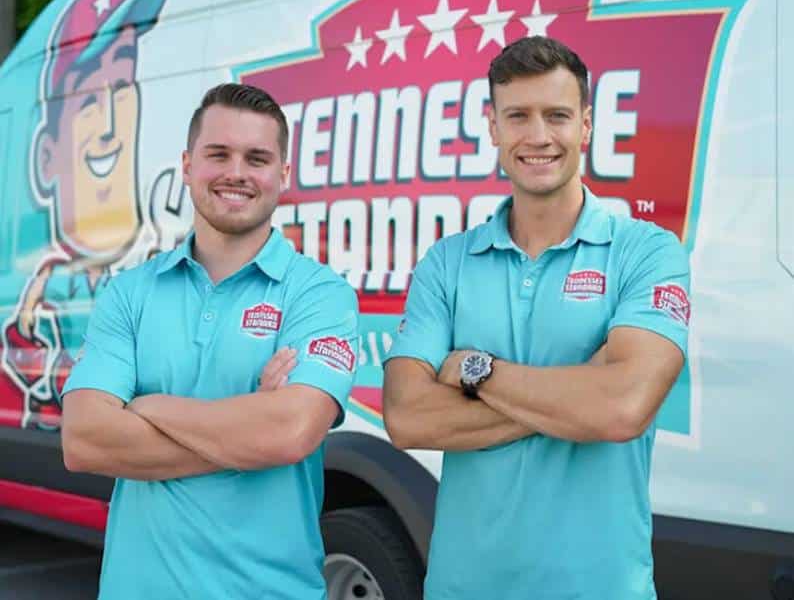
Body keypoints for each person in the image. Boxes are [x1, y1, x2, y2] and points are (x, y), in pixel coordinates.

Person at [383, 36, 690, 600]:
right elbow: (405, 418)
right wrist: (580, 394)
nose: (539, 136)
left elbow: (622, 410)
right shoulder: (447, 262)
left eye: (557, 116)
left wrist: (476, 371)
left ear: (587, 125)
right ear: (493, 127)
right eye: (518, 116)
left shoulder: (646, 251)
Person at [61, 83, 359, 600]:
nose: (236, 173)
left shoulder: (320, 295)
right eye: (218, 154)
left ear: (283, 175)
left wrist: (146, 407)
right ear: (187, 164)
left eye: (257, 158)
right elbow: (84, 441)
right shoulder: (131, 293)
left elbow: (288, 433)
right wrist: (247, 428)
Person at [1, 0, 169, 428]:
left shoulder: (168, 264)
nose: (112, 129)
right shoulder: (44, 296)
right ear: (45, 159)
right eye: (91, 101)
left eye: (121, 91)